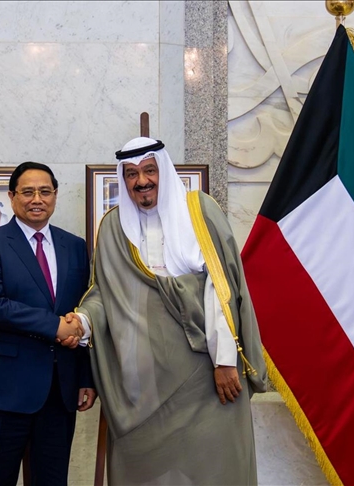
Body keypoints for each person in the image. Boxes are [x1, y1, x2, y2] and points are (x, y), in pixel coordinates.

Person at [73, 137, 267, 485]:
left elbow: (220, 288)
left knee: (214, 467)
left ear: (163, 170)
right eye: (131, 174)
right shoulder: (114, 228)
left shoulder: (200, 212)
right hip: (142, 383)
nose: (142, 181)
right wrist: (81, 323)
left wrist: (225, 362)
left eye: (149, 170)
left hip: (204, 373)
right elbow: (105, 292)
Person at [0, 161, 96, 486]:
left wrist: (86, 377)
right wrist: (55, 326)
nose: (37, 199)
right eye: (27, 192)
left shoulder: (75, 246)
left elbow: (82, 308)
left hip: (59, 390)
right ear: (12, 197)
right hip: (4, 389)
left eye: (45, 192)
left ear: (55, 195)